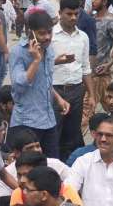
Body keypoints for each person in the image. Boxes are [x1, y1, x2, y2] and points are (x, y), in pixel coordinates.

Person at [9, 11, 70, 158]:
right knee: (31, 168)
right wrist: (36, 61)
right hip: (27, 122)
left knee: (52, 164)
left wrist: (58, 99)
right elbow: (19, 85)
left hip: (49, 120)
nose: (47, 37)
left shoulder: (49, 50)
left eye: (49, 32)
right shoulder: (18, 52)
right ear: (31, 33)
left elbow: (45, 81)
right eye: (42, 34)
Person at [49, 0, 92, 160]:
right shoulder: (50, 36)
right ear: (60, 13)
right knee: (54, 133)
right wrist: (57, 61)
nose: (73, 17)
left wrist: (92, 95)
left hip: (76, 90)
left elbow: (86, 68)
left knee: (73, 134)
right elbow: (41, 66)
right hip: (55, 91)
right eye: (69, 14)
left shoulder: (83, 37)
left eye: (76, 14)